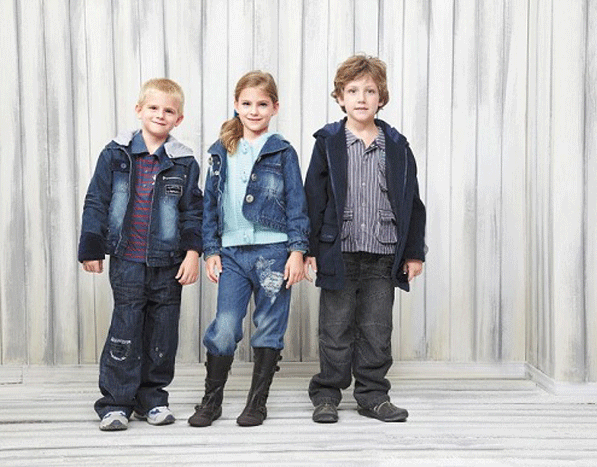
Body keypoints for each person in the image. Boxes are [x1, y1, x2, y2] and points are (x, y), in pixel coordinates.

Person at [305, 54, 426, 423]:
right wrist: (309, 250)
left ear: (381, 98)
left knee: (376, 329)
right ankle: (327, 394)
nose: (361, 98)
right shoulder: (328, 142)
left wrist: (413, 252)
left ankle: (373, 395)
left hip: (382, 253)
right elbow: (314, 198)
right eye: (353, 90)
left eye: (370, 91)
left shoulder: (397, 145)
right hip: (338, 252)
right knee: (335, 328)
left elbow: (412, 201)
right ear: (340, 97)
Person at [78, 78, 203, 431]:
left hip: (168, 262)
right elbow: (96, 201)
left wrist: (193, 252)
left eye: (169, 110)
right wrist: (92, 246)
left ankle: (152, 398)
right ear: (139, 110)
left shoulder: (184, 162)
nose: (160, 115)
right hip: (127, 260)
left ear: (179, 118)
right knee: (126, 328)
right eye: (153, 108)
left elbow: (193, 211)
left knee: (163, 333)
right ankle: (116, 402)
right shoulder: (115, 154)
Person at [188, 71, 310, 428]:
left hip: (274, 252)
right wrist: (211, 249)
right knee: (225, 326)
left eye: (262, 104)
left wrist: (297, 250)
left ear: (275, 107)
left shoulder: (282, 151)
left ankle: (257, 403)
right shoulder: (220, 151)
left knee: (269, 325)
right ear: (236, 105)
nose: (254, 111)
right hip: (232, 254)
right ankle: (212, 401)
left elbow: (297, 202)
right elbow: (210, 204)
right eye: (246, 104)